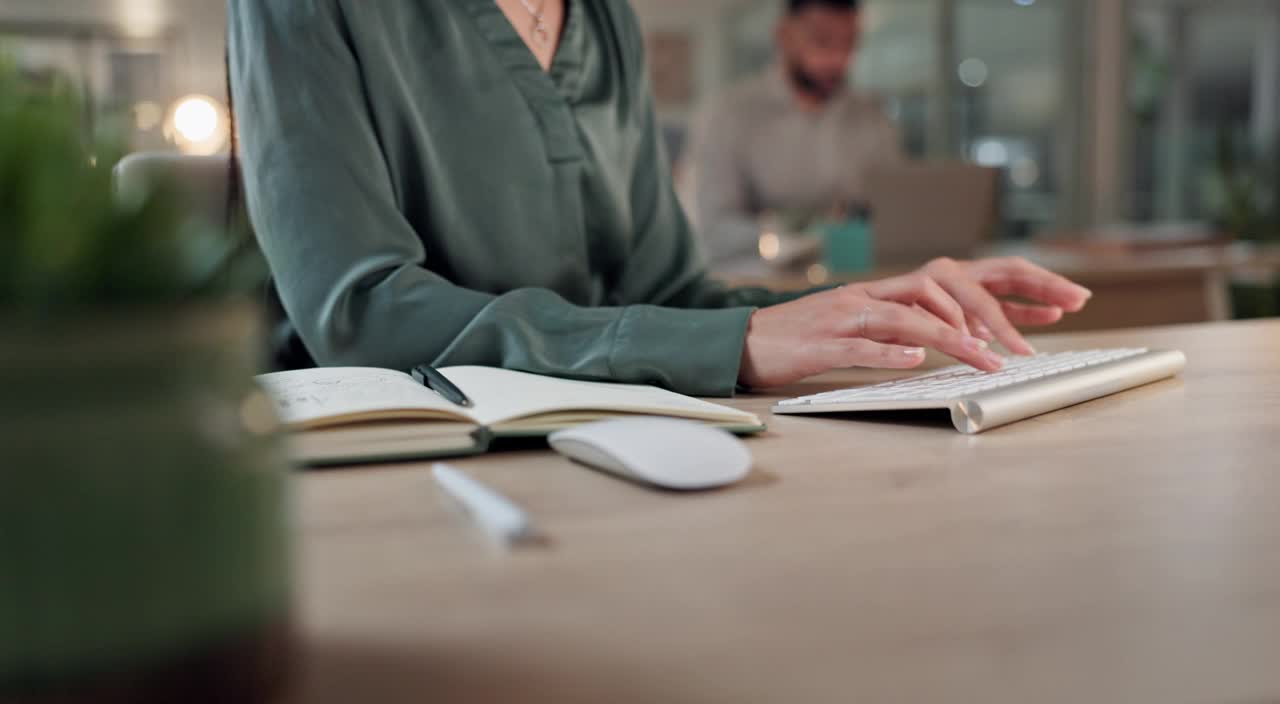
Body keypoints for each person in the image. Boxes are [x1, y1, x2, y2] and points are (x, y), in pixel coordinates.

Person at [227, 0, 1090, 399]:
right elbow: (359, 309)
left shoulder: (604, 20)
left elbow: (671, 298)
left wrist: (856, 308)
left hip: (602, 434)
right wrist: (732, 338)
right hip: (397, 465)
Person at [686, 0, 900, 272]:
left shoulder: (872, 117)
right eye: (822, 41)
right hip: (762, 284)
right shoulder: (728, 116)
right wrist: (793, 235)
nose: (838, 58)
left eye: (849, 44)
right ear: (784, 36)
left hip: (855, 278)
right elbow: (714, 230)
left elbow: (894, 213)